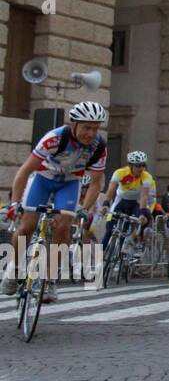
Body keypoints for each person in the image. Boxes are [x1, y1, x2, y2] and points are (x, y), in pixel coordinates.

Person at [3, 101, 109, 299]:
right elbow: (25, 171)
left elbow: (96, 183)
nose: (91, 134)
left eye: (95, 128)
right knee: (27, 227)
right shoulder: (55, 138)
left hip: (69, 183)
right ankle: (13, 268)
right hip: (43, 179)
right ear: (74, 125)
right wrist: (15, 203)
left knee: (64, 226)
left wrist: (85, 209)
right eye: (87, 127)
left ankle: (50, 279)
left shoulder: (99, 147)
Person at [99, 151, 156, 251]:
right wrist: (106, 204)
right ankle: (99, 259)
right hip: (121, 201)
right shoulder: (120, 173)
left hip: (135, 202)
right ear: (131, 165)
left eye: (143, 165)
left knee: (128, 229)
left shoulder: (147, 177)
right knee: (109, 230)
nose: (141, 168)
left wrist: (142, 213)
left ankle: (124, 254)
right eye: (138, 166)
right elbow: (111, 189)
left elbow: (144, 197)